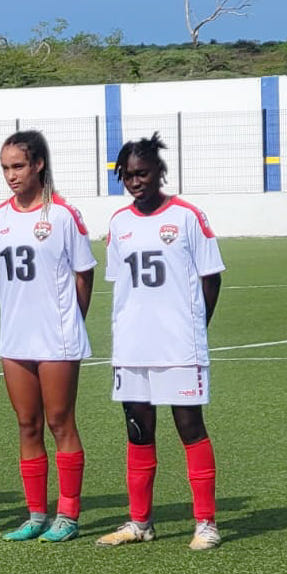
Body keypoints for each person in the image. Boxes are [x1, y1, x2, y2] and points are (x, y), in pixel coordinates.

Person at [98, 134, 224, 550]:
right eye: (128, 175)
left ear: (159, 172)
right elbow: (121, 285)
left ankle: (205, 523)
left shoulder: (188, 216)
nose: (135, 181)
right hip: (133, 344)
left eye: (143, 173)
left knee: (189, 427)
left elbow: (212, 277)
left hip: (178, 345)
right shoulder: (119, 223)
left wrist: (195, 327)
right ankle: (140, 522)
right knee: (137, 430)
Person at [0, 130, 96, 542]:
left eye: (18, 166)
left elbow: (83, 274)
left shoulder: (63, 215)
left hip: (58, 336)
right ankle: (36, 514)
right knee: (26, 424)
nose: (11, 175)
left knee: (59, 422)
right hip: (15, 336)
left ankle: (67, 514)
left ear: (38, 165)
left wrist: (71, 321)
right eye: (5, 168)